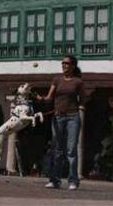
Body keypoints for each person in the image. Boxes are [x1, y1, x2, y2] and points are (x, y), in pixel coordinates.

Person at [36, 55, 85, 190]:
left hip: (73, 117)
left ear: (73, 66)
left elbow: (83, 99)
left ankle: (73, 180)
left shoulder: (77, 82)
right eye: (63, 63)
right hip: (58, 117)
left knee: (71, 150)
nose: (64, 65)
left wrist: (79, 107)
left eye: (67, 63)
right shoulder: (57, 80)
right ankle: (54, 180)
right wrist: (41, 99)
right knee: (56, 149)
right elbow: (49, 98)